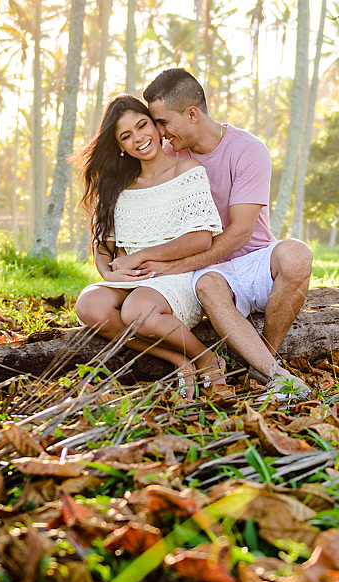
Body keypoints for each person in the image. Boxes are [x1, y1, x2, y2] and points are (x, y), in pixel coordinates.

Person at [135, 68, 314, 400]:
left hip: (253, 258)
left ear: (192, 114)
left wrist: (175, 266)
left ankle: (263, 360)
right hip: (209, 271)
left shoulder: (248, 150)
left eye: (162, 122)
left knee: (297, 253)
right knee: (207, 284)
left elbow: (241, 232)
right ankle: (274, 375)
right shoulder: (169, 154)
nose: (159, 133)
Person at [74, 95, 228, 397]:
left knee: (137, 310)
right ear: (120, 146)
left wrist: (140, 256)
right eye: (126, 136)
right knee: (89, 304)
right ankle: (179, 359)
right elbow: (102, 245)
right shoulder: (118, 184)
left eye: (142, 126)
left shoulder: (187, 171)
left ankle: (207, 358)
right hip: (133, 280)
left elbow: (200, 238)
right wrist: (109, 274)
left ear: (158, 129)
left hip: (177, 276)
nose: (138, 139)